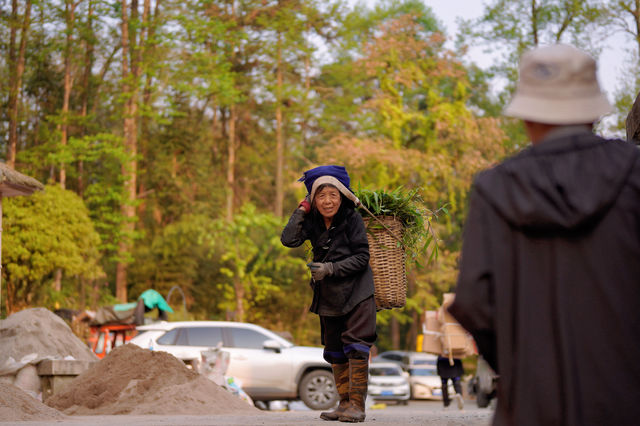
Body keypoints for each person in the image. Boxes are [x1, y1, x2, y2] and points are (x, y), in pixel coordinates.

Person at [449, 44, 640, 426]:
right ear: (592, 111)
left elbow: (472, 301)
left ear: (527, 116)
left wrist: (518, 362)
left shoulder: (495, 188)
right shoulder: (634, 175)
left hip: (531, 405)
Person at [281, 165, 377, 423]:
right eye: (321, 195)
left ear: (342, 196)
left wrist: (331, 268)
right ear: (313, 198)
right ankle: (344, 404)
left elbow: (362, 257)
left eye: (333, 195)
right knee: (334, 350)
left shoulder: (351, 218)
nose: (328, 201)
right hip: (329, 295)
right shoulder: (311, 220)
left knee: (356, 345)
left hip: (357, 292)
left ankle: (357, 405)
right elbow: (288, 239)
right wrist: (302, 209)